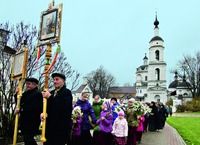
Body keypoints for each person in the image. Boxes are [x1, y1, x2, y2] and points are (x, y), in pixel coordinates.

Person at [41, 73, 73, 145]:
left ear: (63, 81)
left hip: (60, 129)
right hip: (49, 128)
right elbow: (46, 107)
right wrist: (43, 113)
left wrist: (50, 97)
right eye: (54, 80)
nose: (55, 81)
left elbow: (63, 107)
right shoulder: (51, 92)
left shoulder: (66, 92)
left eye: (57, 79)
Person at [14, 77, 43, 145]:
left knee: (29, 138)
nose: (27, 85)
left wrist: (20, 110)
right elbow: (19, 102)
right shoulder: (27, 93)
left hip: (32, 121)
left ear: (34, 84)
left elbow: (33, 107)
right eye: (26, 84)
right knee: (26, 139)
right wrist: (16, 94)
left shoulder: (37, 94)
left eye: (29, 84)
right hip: (25, 120)